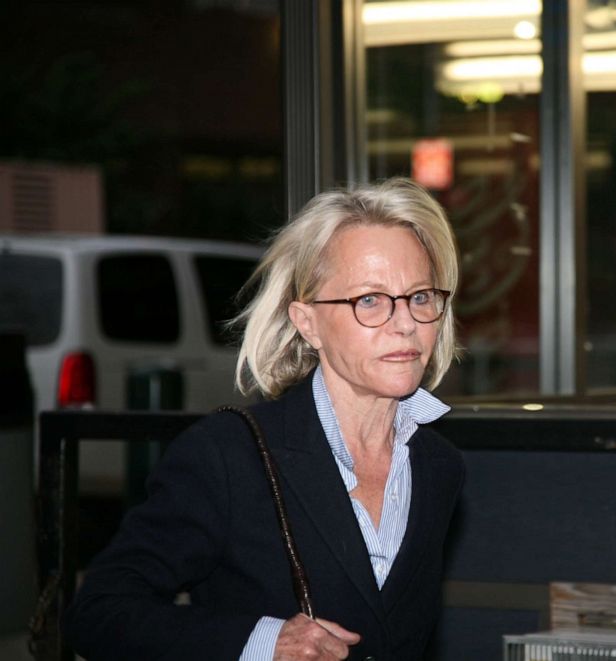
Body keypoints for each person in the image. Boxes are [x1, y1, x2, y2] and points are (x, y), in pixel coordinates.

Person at [64, 178, 465, 661]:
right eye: (370, 300)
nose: (405, 323)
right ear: (307, 321)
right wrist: (261, 642)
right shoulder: (229, 454)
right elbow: (99, 613)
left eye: (420, 297)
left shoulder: (437, 465)